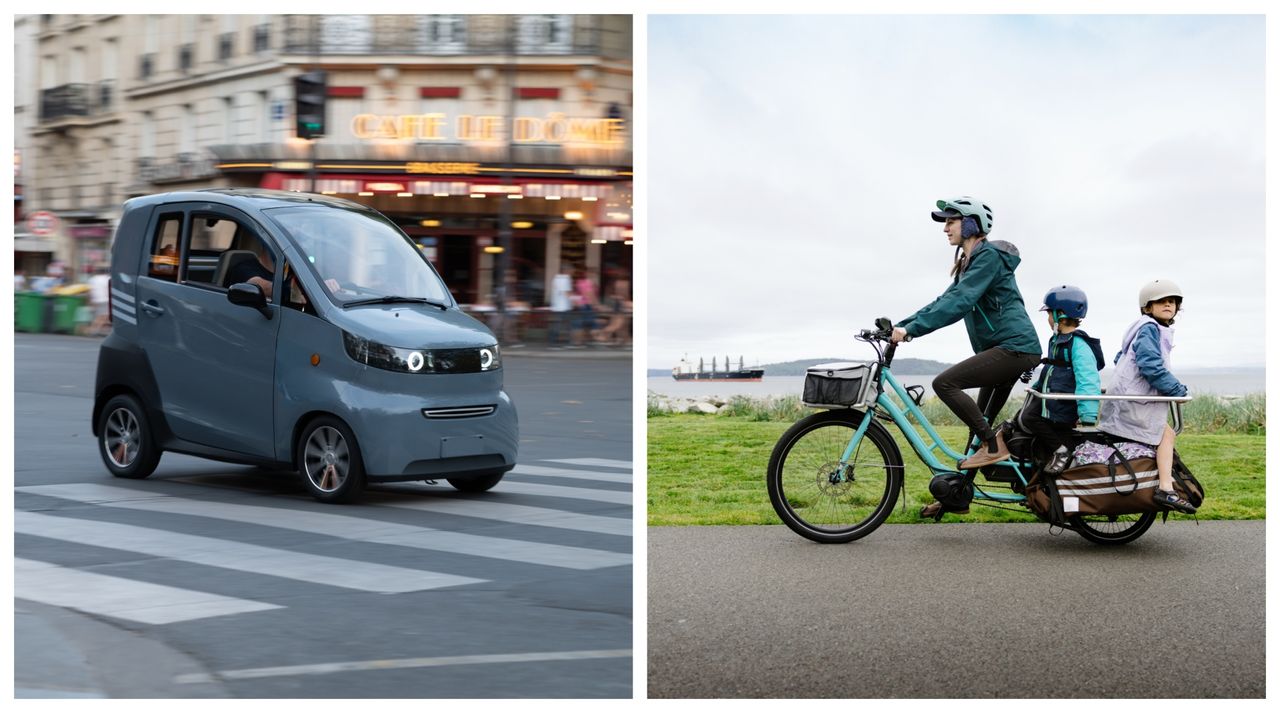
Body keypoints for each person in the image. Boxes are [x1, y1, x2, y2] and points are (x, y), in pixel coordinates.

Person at [891, 197, 1042, 516]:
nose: (946, 227)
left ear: (972, 224)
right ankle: (955, 498)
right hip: (1005, 350)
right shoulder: (970, 264)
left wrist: (913, 331)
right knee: (980, 427)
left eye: (951, 221)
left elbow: (960, 302)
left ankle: (994, 446)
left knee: (945, 383)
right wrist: (902, 325)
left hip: (1015, 347)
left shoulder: (987, 258)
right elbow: (944, 300)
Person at [1096, 280, 1196, 514]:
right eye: (1161, 301)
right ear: (1147, 306)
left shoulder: (1142, 327)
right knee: (1167, 434)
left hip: (1128, 400)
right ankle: (1165, 489)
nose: (1168, 305)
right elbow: (1151, 366)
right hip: (1133, 403)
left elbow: (1120, 358)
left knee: (1166, 434)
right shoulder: (1150, 328)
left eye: (1172, 302)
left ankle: (1164, 485)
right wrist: (1177, 391)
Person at [1022, 285, 1104, 474]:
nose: (1048, 319)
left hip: (1062, 404)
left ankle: (1062, 451)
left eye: (1049, 314)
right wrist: (1036, 388)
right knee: (1024, 417)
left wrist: (1088, 416)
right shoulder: (1057, 339)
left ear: (1060, 314)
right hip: (1051, 398)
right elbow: (1051, 370)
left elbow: (1088, 380)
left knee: (1029, 417)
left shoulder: (1079, 346)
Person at [548, 262, 573, 347]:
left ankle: (554, 342)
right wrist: (575, 300)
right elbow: (566, 293)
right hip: (563, 306)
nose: (572, 271)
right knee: (565, 325)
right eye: (571, 270)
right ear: (566, 270)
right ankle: (557, 343)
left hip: (556, 306)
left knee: (558, 324)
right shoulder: (566, 278)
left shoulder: (555, 278)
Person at [87, 265, 112, 336]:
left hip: (95, 299)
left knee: (99, 316)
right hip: (104, 299)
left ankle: (99, 329)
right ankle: (93, 330)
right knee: (103, 316)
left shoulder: (92, 279)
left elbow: (89, 291)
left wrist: (90, 300)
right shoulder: (107, 279)